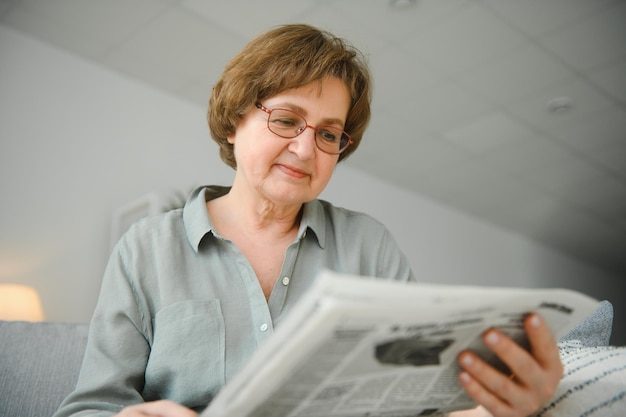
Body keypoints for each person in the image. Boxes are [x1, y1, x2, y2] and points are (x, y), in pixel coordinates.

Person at [53, 24, 563, 417]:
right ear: (235, 121)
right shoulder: (146, 248)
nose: (304, 149)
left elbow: (419, 403)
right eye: (287, 119)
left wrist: (509, 408)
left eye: (328, 134)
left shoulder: (370, 245)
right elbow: (90, 407)